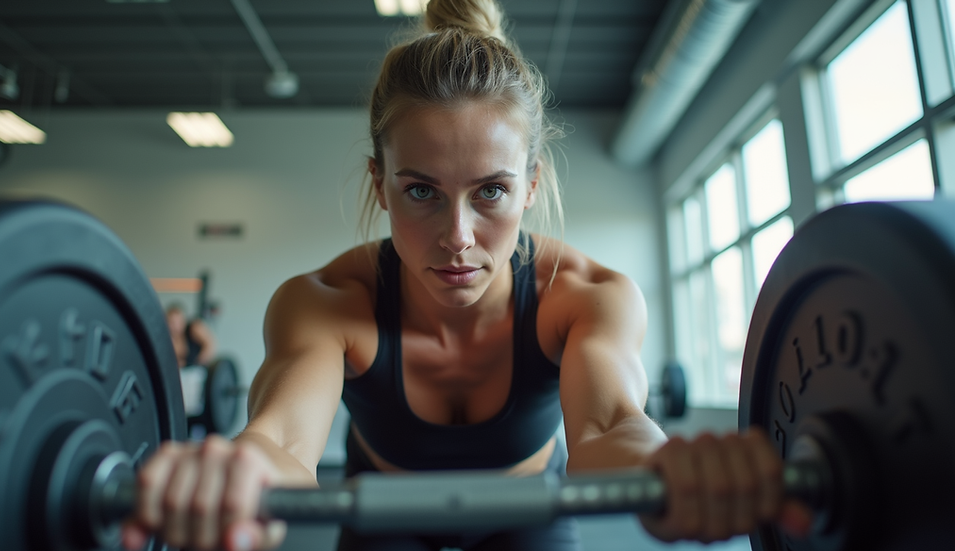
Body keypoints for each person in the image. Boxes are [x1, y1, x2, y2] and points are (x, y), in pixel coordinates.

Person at [124, 1, 812, 550]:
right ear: (381, 183)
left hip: (529, 513)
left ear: (531, 185)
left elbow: (607, 428)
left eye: (490, 191)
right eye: (422, 191)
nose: (458, 237)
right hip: (381, 514)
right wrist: (237, 472)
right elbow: (280, 440)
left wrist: (672, 468)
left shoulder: (584, 297)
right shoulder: (327, 303)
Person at [166, 303, 217, 369]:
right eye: (171, 322)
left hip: (199, 369)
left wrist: (197, 364)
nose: (174, 326)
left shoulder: (194, 328)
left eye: (177, 322)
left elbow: (211, 345)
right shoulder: (170, 339)